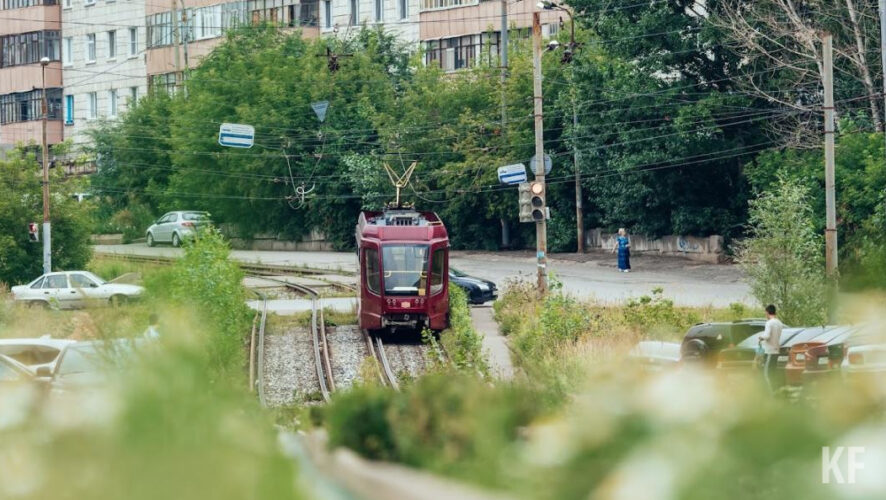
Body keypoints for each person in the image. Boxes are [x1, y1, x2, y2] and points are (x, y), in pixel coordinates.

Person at [758, 304, 784, 393]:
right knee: (773, 373)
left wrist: (761, 337)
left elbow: (767, 335)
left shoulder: (769, 323)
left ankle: (771, 394)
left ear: (767, 312)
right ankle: (776, 391)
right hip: (776, 351)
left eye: (765, 312)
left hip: (770, 351)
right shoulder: (779, 323)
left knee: (767, 374)